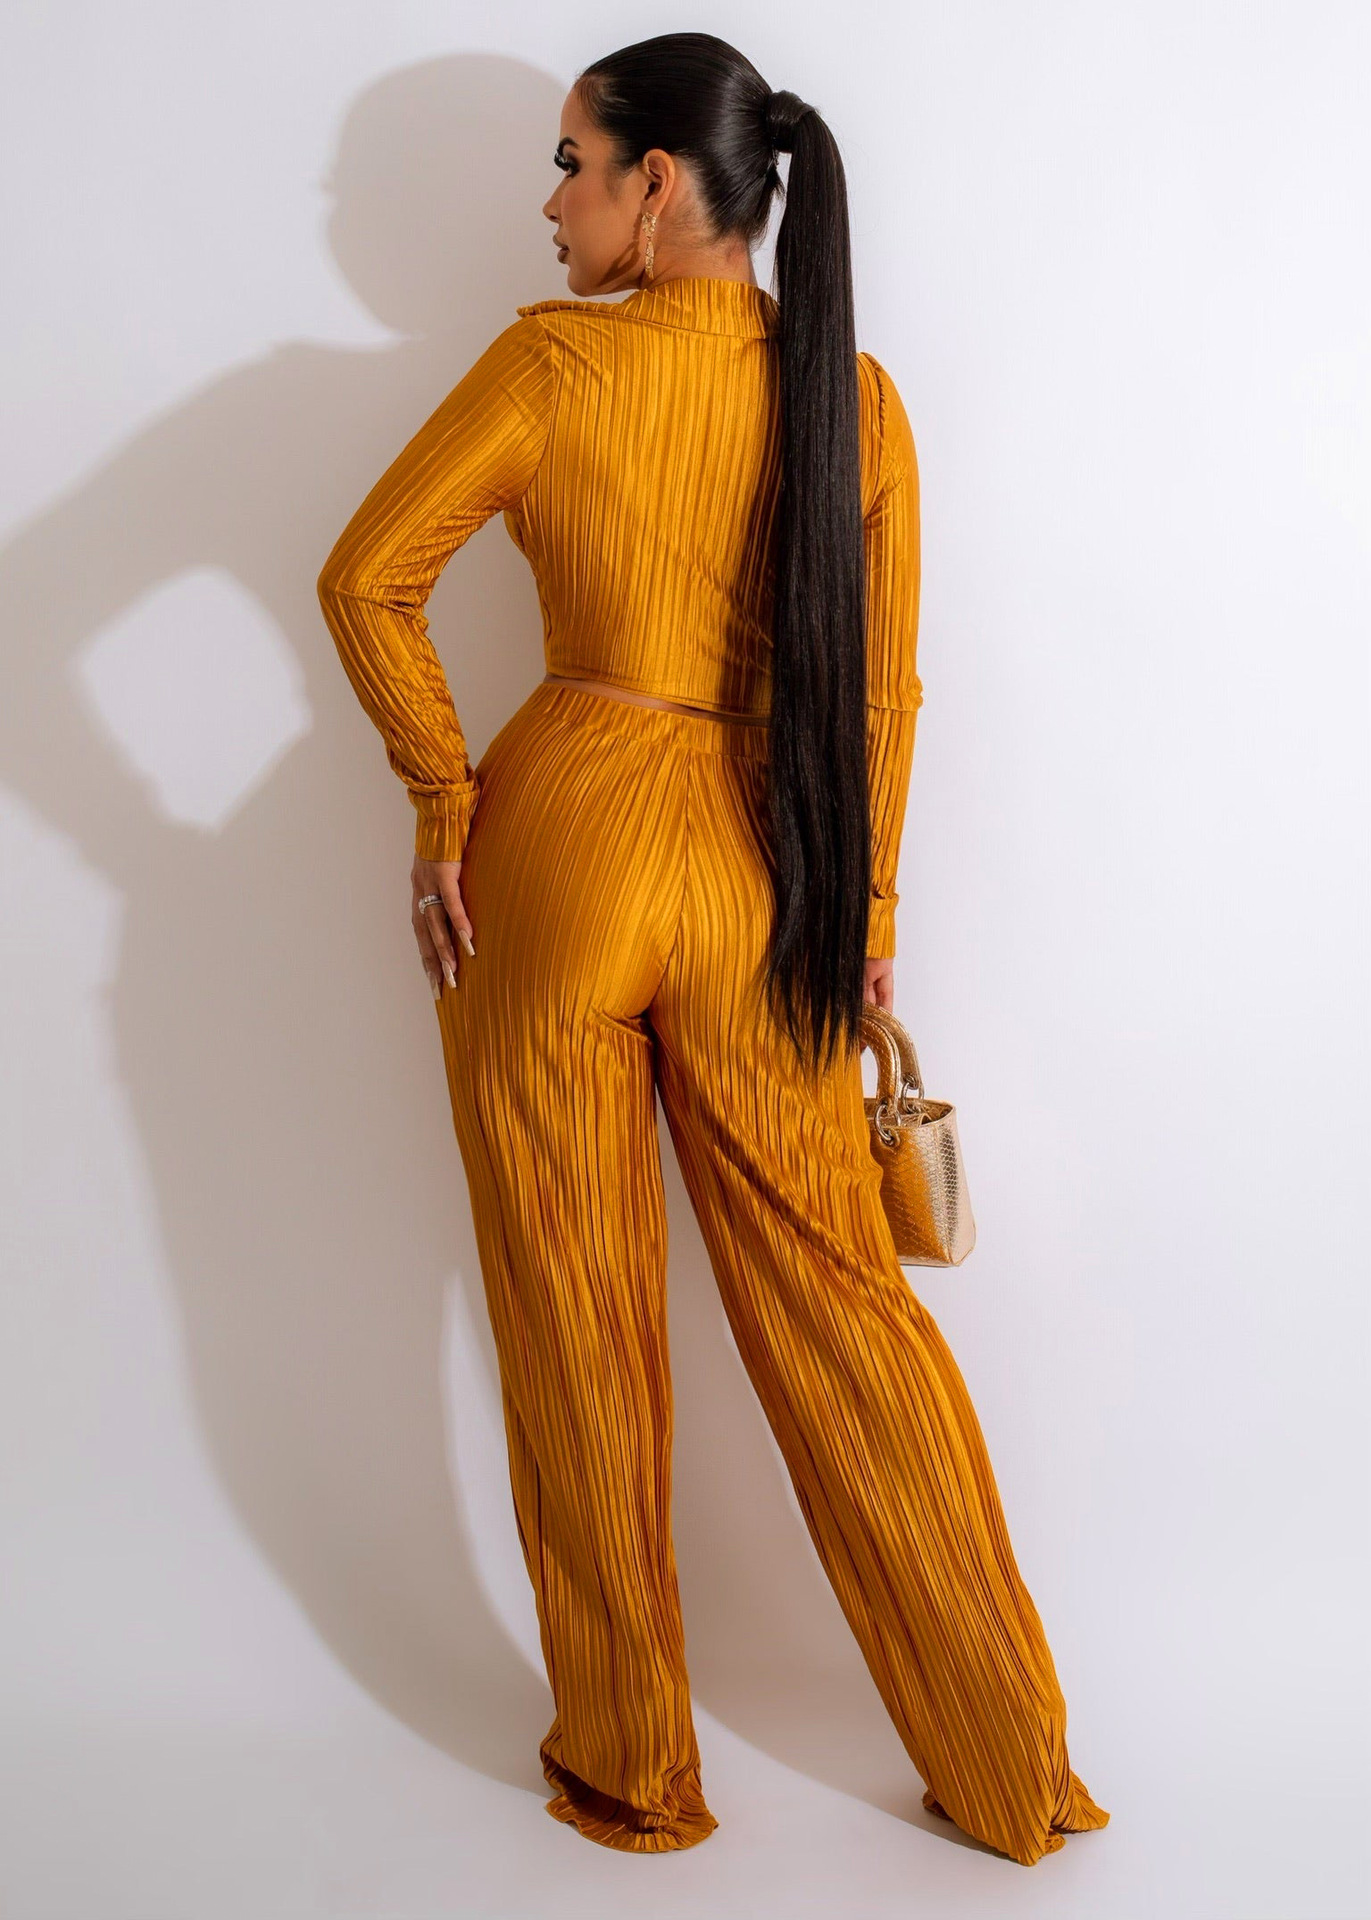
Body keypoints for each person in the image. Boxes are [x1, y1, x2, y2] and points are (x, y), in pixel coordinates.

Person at [316, 31, 1110, 1866]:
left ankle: (630, 1768)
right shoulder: (854, 399)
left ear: (658, 183)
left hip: (559, 851)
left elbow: (367, 577)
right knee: (846, 1312)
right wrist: (868, 922)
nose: (553, 201)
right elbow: (880, 699)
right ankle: (1009, 1769)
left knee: (573, 1316)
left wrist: (443, 799)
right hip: (772, 880)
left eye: (573, 162)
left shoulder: (552, 361)